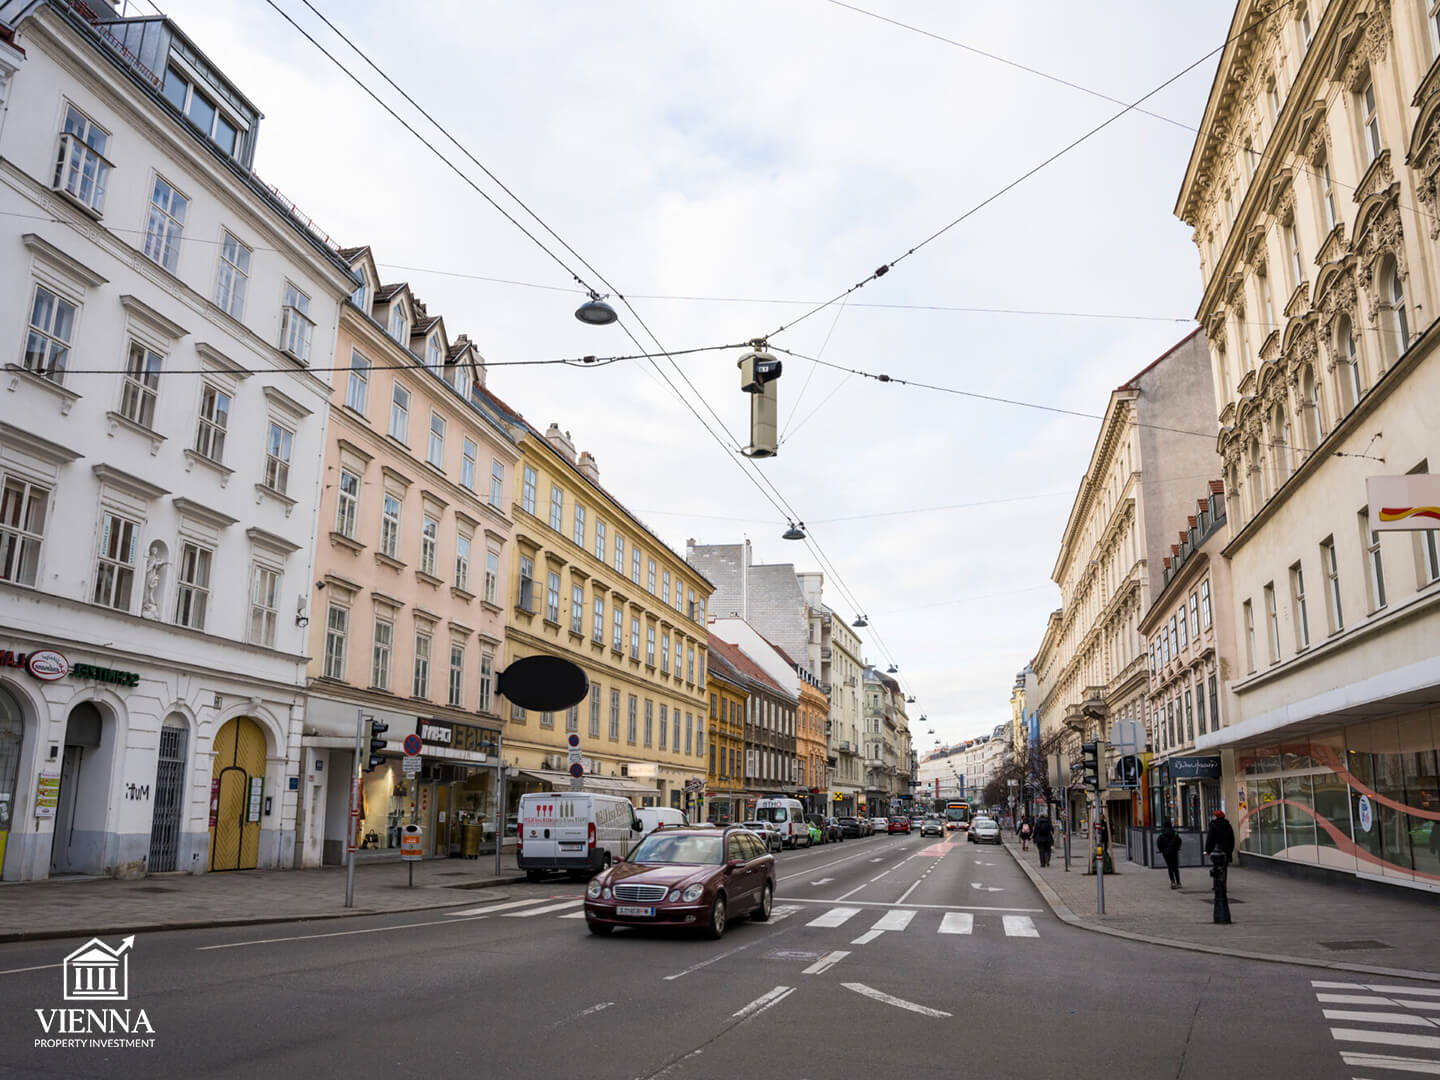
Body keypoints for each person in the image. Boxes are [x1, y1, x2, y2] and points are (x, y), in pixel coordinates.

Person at [1156, 817, 1182, 889]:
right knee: (1175, 867)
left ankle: (1172, 882)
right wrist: (1177, 848)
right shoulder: (1174, 832)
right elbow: (1179, 840)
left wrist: (1161, 850)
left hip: (1166, 852)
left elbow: (1158, 842)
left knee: (1170, 866)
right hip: (1174, 851)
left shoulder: (1162, 833)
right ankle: (1178, 882)